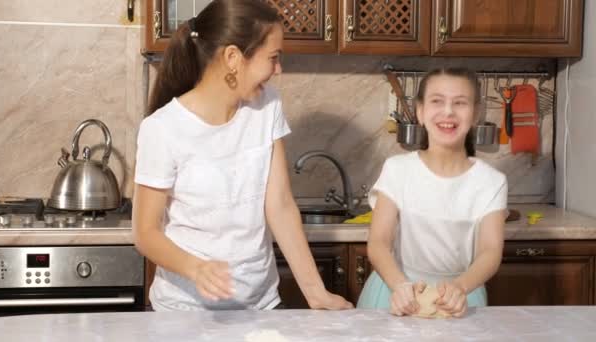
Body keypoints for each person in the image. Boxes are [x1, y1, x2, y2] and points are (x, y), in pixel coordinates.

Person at [132, 0, 352, 311]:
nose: (278, 70)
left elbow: (280, 206)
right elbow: (145, 233)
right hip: (184, 311)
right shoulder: (162, 129)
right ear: (233, 58)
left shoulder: (267, 105)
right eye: (273, 58)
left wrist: (315, 292)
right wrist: (196, 268)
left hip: (260, 306)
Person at [357, 68, 508, 317]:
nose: (448, 112)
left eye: (460, 103)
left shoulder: (491, 182)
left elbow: (490, 251)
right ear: (420, 112)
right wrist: (400, 286)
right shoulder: (398, 169)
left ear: (476, 113)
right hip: (395, 292)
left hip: (460, 298)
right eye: (437, 101)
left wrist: (460, 287)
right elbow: (379, 242)